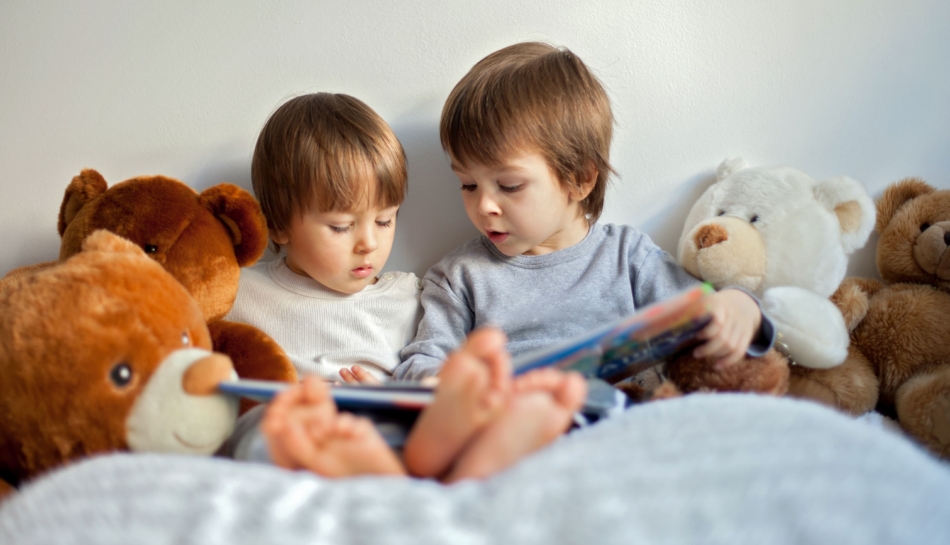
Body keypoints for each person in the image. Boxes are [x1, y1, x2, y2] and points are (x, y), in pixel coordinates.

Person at [222, 92, 586, 482]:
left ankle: (461, 458)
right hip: (287, 426)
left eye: (384, 221)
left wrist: (387, 398)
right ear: (278, 225)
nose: (369, 244)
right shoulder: (237, 291)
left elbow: (424, 373)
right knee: (260, 430)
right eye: (341, 227)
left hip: (379, 427)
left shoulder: (410, 297)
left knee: (420, 424)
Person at [395, 42, 774, 382]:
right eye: (468, 184)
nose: (484, 206)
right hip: (517, 430)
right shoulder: (459, 277)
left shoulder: (627, 258)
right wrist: (442, 383)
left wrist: (740, 305)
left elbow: (703, 313)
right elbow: (423, 361)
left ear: (579, 179)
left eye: (509, 186)